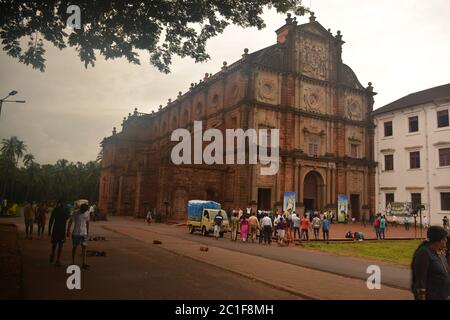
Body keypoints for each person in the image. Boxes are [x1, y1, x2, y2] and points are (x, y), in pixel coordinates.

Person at [411, 226, 450, 300]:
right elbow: (420, 280)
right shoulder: (424, 253)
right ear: (439, 240)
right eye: (445, 238)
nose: (446, 240)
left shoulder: (440, 253)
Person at [67, 203, 90, 269]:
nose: (84, 211)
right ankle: (73, 262)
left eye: (85, 210)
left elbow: (88, 222)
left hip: (84, 233)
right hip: (76, 233)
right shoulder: (75, 213)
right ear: (80, 208)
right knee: (75, 247)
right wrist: (68, 230)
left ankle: (84, 263)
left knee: (84, 247)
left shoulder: (87, 213)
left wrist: (87, 231)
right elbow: (70, 221)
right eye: (83, 210)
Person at [48, 201, 71, 266]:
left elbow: (51, 220)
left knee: (59, 245)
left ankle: (57, 258)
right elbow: (51, 219)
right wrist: (49, 230)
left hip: (58, 229)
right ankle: (55, 256)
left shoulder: (58, 209)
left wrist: (50, 230)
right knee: (56, 244)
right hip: (59, 229)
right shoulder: (59, 209)